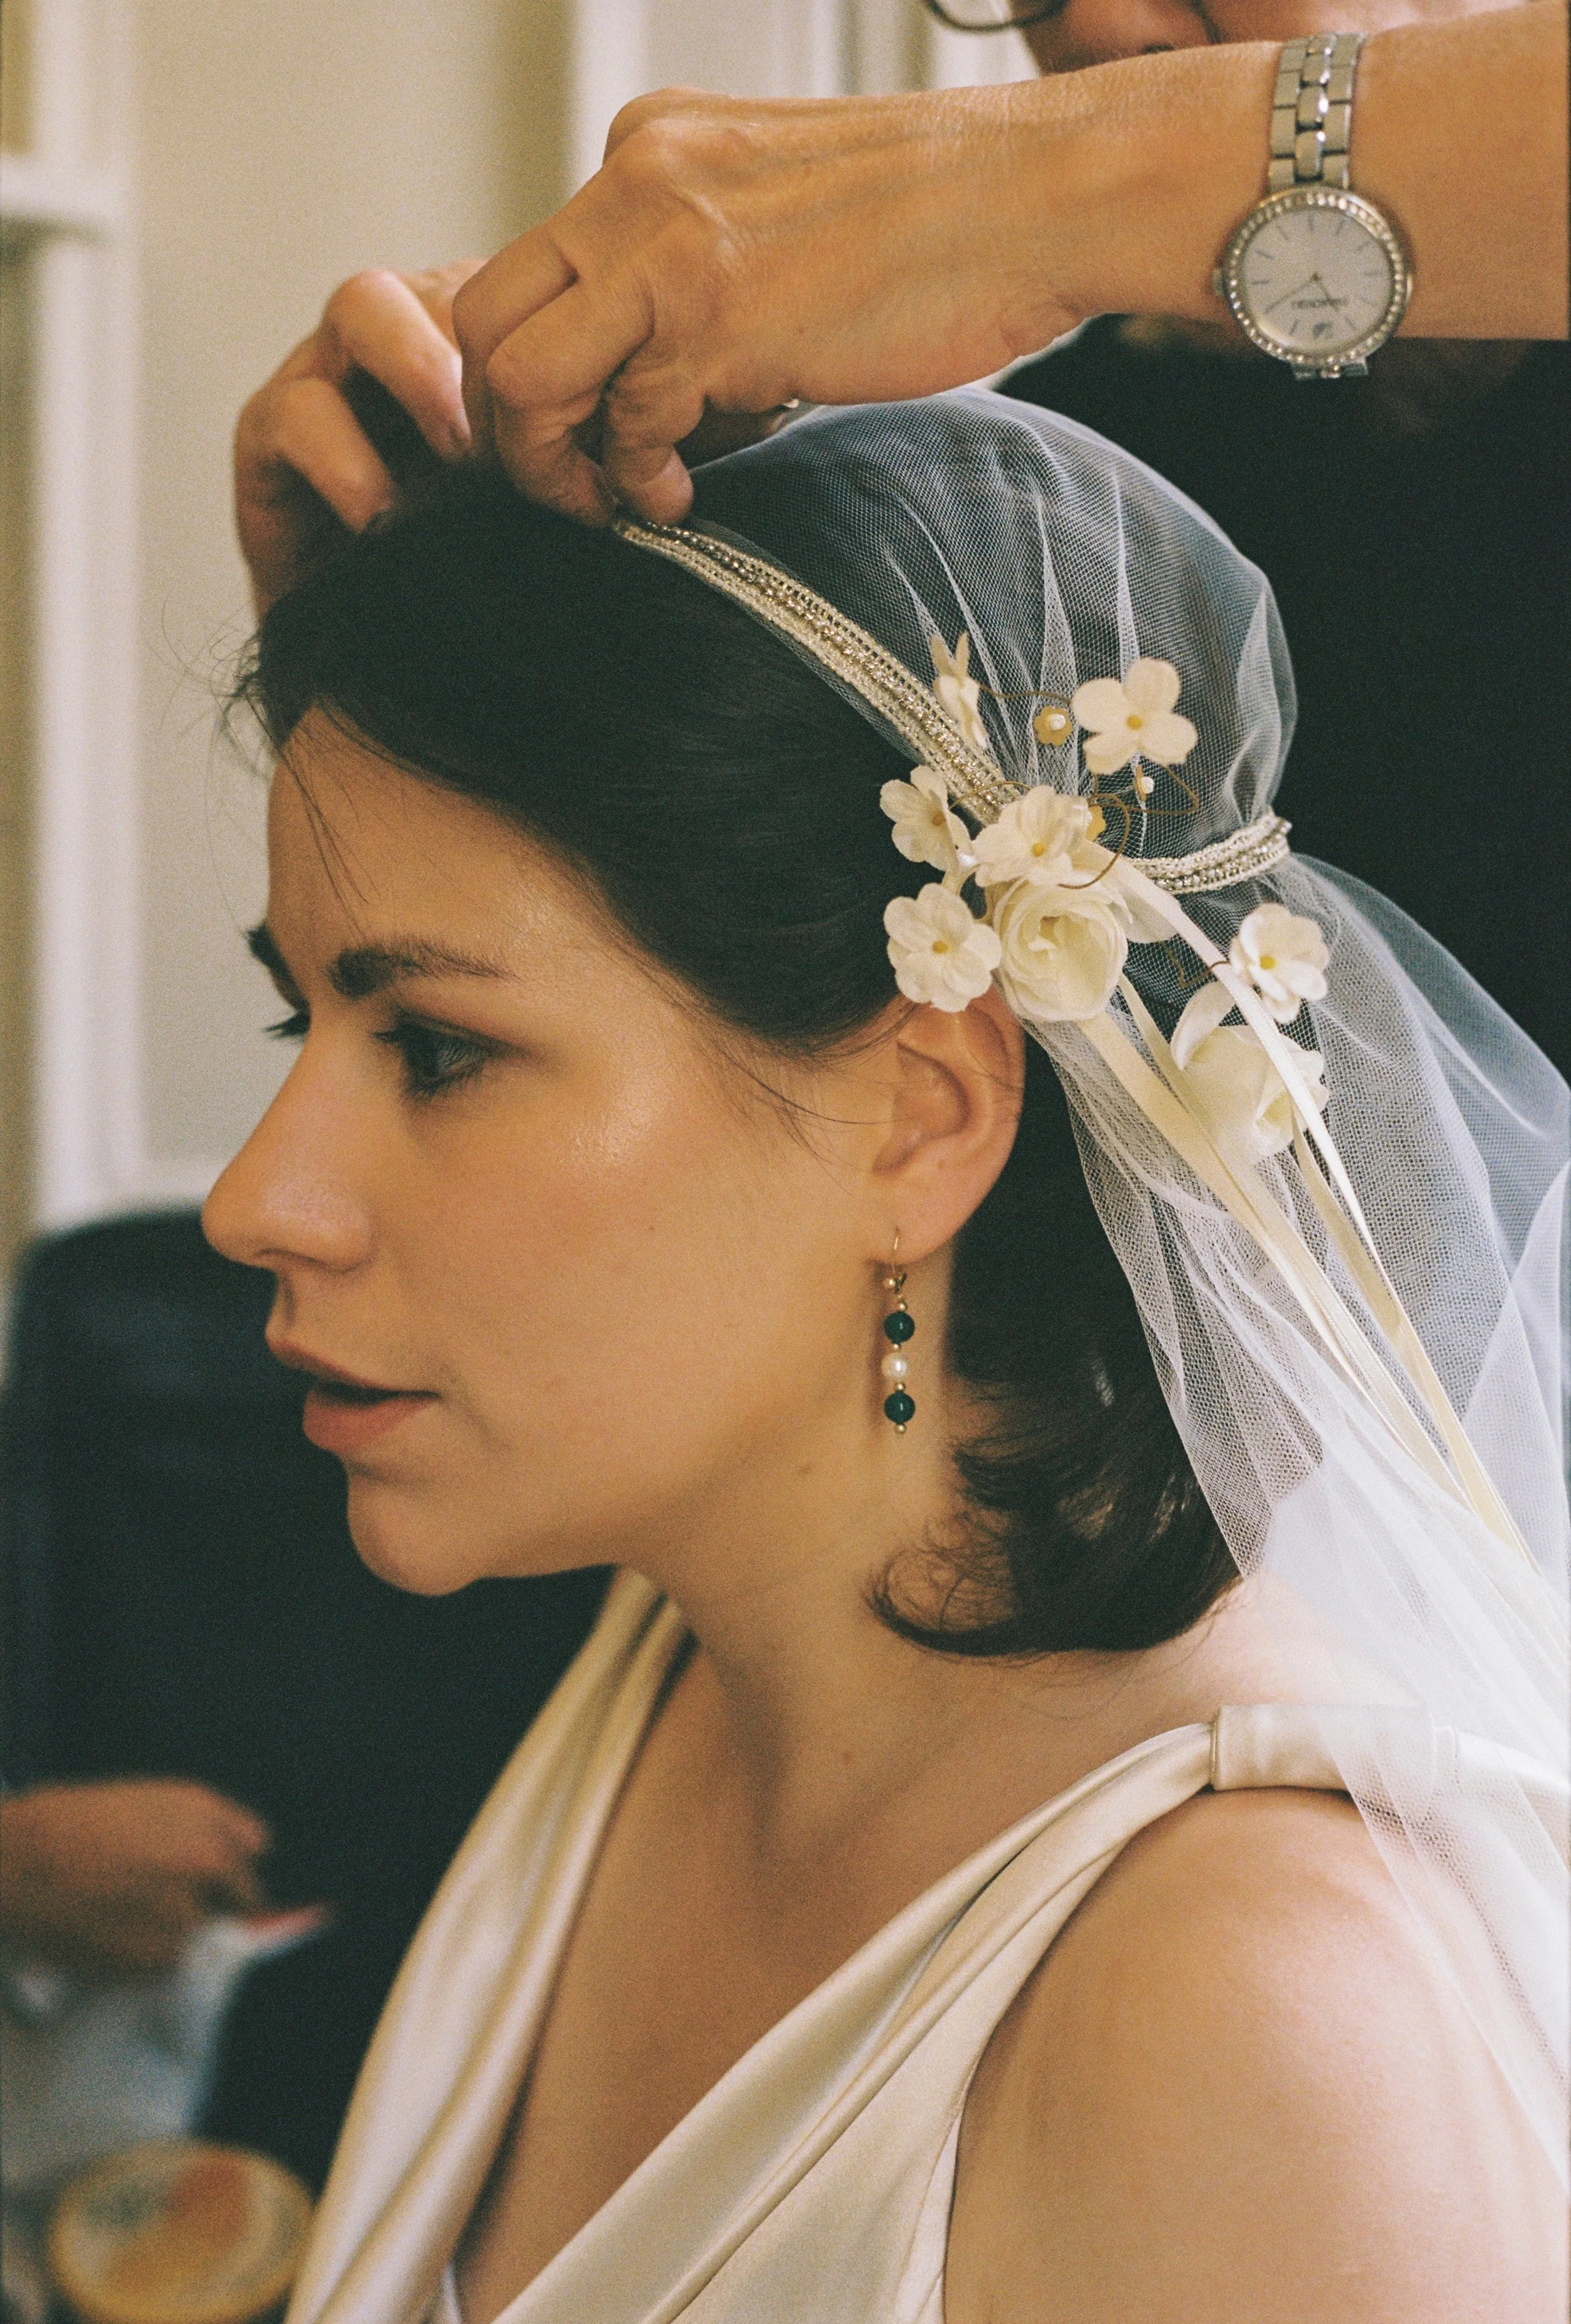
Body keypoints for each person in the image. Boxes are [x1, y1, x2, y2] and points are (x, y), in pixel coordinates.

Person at [204, 390, 1566, 2321]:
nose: (258, 1202)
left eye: (433, 1048)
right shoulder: (675, 1663)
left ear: (920, 1118)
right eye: (300, 1033)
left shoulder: (1254, 2020)